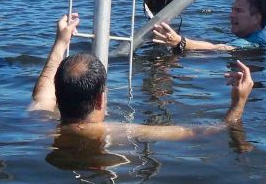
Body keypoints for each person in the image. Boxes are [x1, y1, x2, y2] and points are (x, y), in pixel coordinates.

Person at [30, 12, 254, 138]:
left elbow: (43, 89)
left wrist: (60, 42)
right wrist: (238, 104)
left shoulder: (39, 120)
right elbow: (199, 131)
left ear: (58, 96)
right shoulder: (108, 132)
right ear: (100, 99)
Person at [151, 0, 266, 52]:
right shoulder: (257, 37)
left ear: (256, 18)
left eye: (238, 11)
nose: (231, 15)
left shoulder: (252, 43)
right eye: (232, 10)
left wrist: (179, 42)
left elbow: (218, 48)